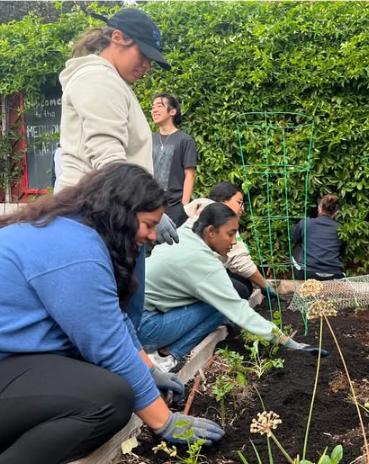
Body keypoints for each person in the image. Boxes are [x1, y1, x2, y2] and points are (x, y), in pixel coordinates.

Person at [0, 164, 224, 464]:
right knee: (108, 400)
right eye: (148, 224)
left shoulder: (72, 233)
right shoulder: (73, 250)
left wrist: (147, 368)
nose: (153, 235)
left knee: (94, 376)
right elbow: (106, 346)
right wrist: (165, 421)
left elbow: (109, 318)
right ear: (121, 213)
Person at [54, 8, 179, 332]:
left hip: (112, 214)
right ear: (118, 38)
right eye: (144, 53)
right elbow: (107, 155)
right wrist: (147, 208)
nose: (148, 65)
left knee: (121, 317)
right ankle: (124, 380)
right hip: (98, 218)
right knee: (112, 320)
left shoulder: (110, 82)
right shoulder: (98, 79)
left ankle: (129, 376)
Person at [140, 202, 328, 372]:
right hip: (143, 329)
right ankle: (166, 355)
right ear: (211, 231)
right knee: (223, 308)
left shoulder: (185, 234)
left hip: (129, 318)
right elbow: (239, 311)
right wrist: (289, 342)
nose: (233, 241)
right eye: (230, 234)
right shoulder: (203, 264)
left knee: (222, 301)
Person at [184, 181, 276, 300]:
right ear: (224, 202)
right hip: (193, 273)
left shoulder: (200, 211)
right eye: (239, 202)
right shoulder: (222, 218)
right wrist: (265, 285)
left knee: (244, 282)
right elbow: (239, 260)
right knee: (241, 291)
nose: (242, 208)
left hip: (193, 268)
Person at [151, 93, 198, 227]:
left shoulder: (184, 140)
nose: (154, 110)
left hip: (175, 206)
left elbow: (190, 174)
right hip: (151, 204)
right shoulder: (149, 139)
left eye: (159, 106)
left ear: (172, 111)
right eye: (153, 107)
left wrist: (184, 205)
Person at [291, 194, 345, 281]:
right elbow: (342, 251)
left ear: (319, 208)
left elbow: (293, 239)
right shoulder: (341, 228)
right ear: (336, 212)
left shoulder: (305, 223)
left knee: (297, 249)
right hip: (335, 274)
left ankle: (301, 285)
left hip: (308, 274)